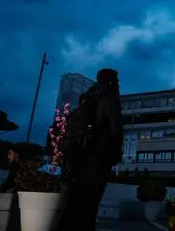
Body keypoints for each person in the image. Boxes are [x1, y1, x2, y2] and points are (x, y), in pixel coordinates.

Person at [57, 69, 123, 231]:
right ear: (111, 81)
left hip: (79, 156)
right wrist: (114, 155)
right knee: (90, 203)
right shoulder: (109, 100)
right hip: (98, 158)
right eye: (116, 80)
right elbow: (116, 131)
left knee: (76, 200)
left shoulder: (86, 98)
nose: (118, 84)